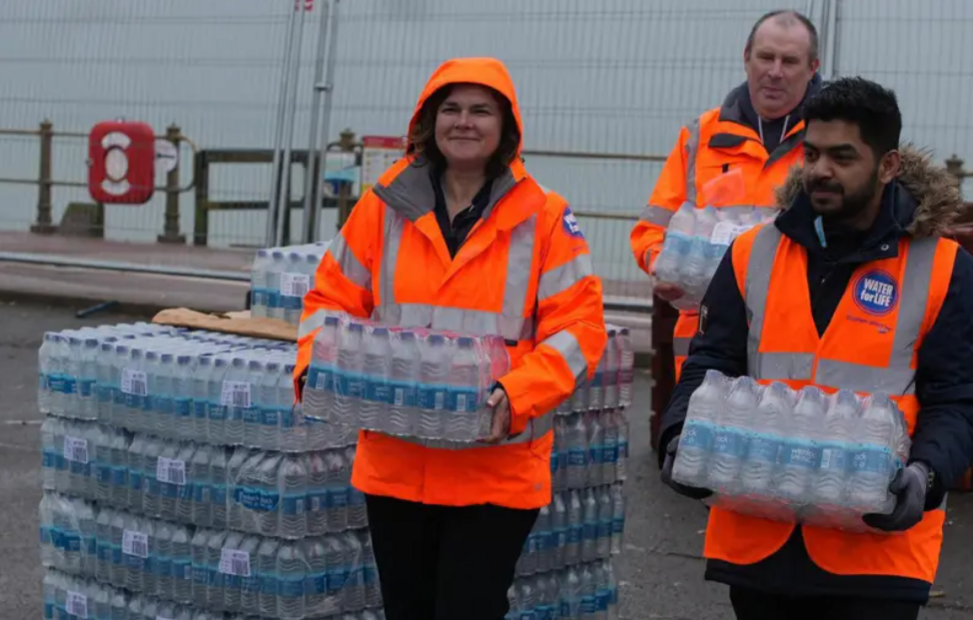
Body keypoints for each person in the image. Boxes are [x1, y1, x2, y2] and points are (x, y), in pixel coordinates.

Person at [292, 57, 607, 620]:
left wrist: (518, 394)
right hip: (396, 464)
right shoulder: (381, 207)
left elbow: (579, 329)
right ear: (428, 121)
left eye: (480, 110)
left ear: (506, 127)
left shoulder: (547, 218)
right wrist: (316, 367)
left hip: (494, 468)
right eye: (451, 109)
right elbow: (328, 300)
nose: (464, 122)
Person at [658, 76, 973, 619]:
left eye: (843, 156)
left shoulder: (942, 267)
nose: (820, 170)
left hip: (876, 549)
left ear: (889, 165)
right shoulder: (752, 253)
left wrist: (927, 474)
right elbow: (711, 363)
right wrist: (678, 432)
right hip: (759, 531)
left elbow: (957, 399)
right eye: (812, 153)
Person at [630, 9, 823, 387]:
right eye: (766, 57)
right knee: (697, 441)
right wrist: (662, 267)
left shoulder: (830, 141)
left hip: (797, 342)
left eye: (790, 61)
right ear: (746, 57)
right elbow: (652, 228)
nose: (775, 71)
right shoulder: (701, 136)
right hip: (706, 337)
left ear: (813, 67)